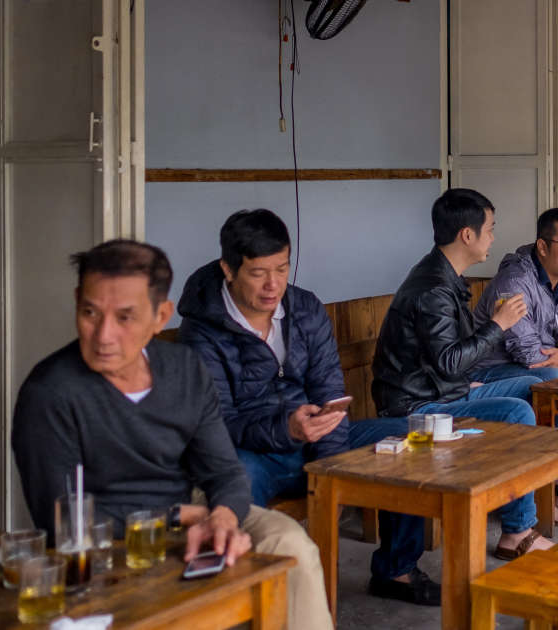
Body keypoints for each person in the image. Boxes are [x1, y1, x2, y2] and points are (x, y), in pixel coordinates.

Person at [11, 240, 333, 630]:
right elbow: (59, 517)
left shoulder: (183, 369)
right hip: (105, 535)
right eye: (90, 312)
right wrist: (178, 517)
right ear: (77, 300)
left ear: (160, 315)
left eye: (125, 317)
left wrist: (224, 516)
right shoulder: (50, 392)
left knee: (289, 543)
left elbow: (225, 472)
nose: (104, 335)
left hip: (188, 507)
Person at [176, 209, 434, 605]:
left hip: (315, 439)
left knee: (409, 439)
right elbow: (217, 424)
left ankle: (396, 569)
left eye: (282, 268)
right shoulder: (202, 332)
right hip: (254, 451)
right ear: (228, 269)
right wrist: (287, 429)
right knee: (235, 478)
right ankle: (243, 597)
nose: (273, 285)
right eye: (258, 273)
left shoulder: (304, 308)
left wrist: (329, 472)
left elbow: (330, 392)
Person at [372, 188, 554, 560]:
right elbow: (450, 361)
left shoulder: (444, 276)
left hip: (443, 390)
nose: (493, 237)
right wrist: (498, 325)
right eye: (489, 229)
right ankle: (518, 530)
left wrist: (473, 363)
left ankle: (527, 501)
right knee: (517, 412)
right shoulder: (434, 288)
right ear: (466, 235)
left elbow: (446, 359)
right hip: (420, 406)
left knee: (535, 385)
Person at [469, 207, 558, 381]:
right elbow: (526, 352)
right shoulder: (514, 282)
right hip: (497, 367)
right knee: (552, 376)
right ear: (543, 247)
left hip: (552, 361)